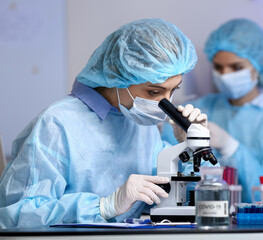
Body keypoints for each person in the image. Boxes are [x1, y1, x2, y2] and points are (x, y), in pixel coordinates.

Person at [0, 19, 207, 228]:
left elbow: (169, 199)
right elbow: (16, 215)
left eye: (173, 90)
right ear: (120, 75)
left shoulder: (140, 124)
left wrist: (190, 149)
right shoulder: (57, 124)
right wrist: (105, 207)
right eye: (154, 92)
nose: (166, 103)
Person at [162, 18, 263, 202]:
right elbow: (166, 167)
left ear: (258, 67)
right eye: (219, 67)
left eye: (236, 67)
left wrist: (231, 147)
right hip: (198, 217)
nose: (225, 75)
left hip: (260, 223)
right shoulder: (198, 108)